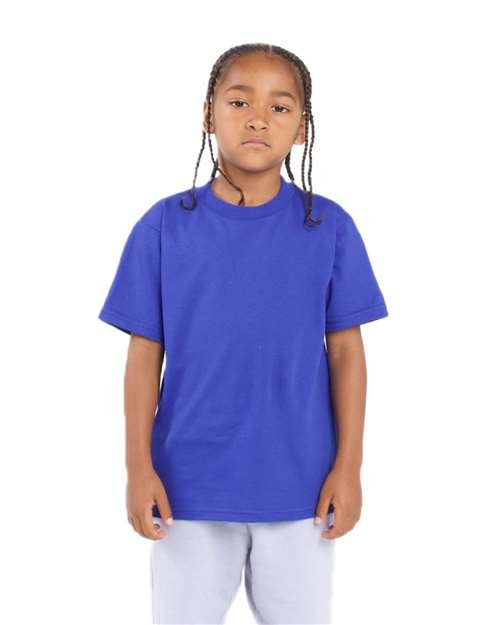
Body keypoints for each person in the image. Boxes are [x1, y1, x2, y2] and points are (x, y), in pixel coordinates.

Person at [98, 43, 389, 625]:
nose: (258, 119)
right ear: (208, 115)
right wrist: (138, 468)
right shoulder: (163, 226)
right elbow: (143, 357)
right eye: (239, 102)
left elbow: (347, 355)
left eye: (279, 107)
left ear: (301, 128)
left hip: (302, 486)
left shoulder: (328, 227)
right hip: (186, 486)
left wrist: (349, 467)